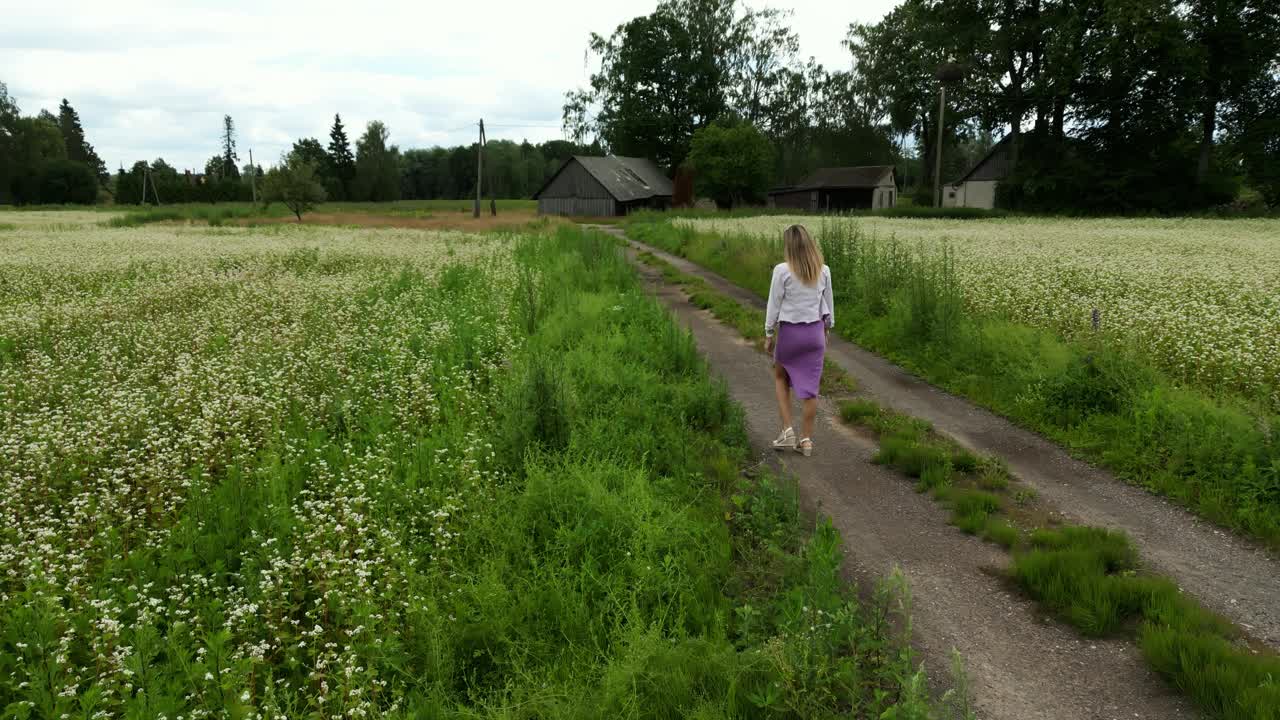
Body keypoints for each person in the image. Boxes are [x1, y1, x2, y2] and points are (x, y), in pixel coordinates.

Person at [764, 224, 833, 457]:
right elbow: (829, 307)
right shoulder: (823, 270)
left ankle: (787, 431)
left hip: (790, 334)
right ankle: (806, 441)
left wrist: (768, 333)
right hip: (815, 334)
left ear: (789, 246)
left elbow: (774, 304)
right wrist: (827, 330)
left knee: (781, 376)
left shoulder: (782, 270)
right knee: (811, 389)